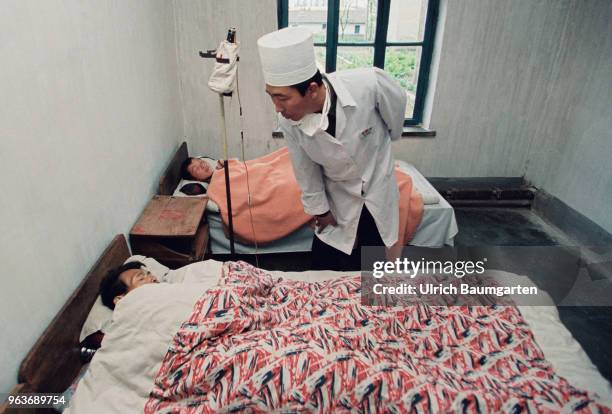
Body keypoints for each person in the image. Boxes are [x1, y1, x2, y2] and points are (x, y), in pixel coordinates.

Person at [257, 27, 407, 270]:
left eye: (282, 98)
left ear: (312, 90)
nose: (277, 107)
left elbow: (396, 111)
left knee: (372, 266)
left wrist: (389, 140)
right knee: (325, 266)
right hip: (337, 195)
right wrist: (320, 209)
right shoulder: (288, 121)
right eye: (271, 96)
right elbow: (304, 169)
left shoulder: (368, 85)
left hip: (378, 187)